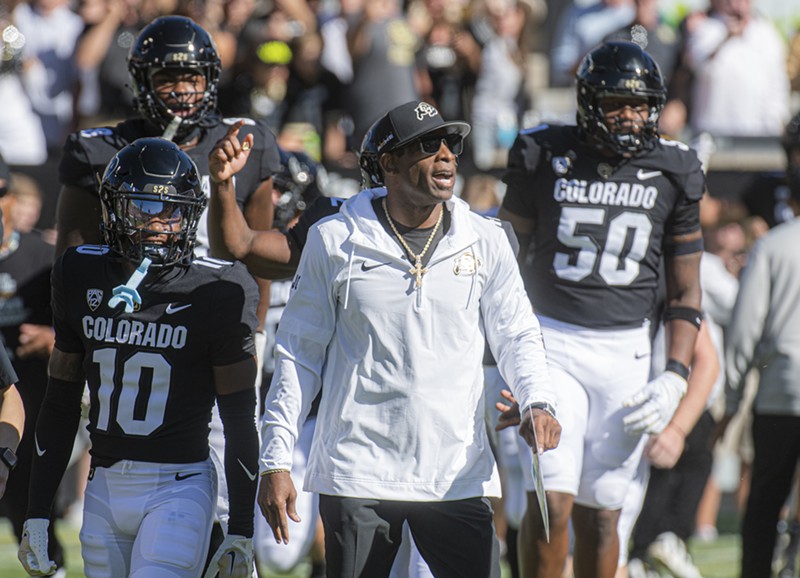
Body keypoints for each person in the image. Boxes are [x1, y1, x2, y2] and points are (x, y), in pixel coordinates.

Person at [237, 100, 560, 578]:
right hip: (358, 472)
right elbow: (297, 355)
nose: (447, 155)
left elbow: (517, 333)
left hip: (456, 472)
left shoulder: (486, 238)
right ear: (388, 163)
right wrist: (276, 460)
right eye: (428, 145)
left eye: (452, 144)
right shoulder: (334, 239)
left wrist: (539, 400)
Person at [53, 14, 280, 563]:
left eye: (192, 77)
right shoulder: (98, 148)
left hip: (215, 327)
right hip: (137, 329)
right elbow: (75, 256)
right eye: (167, 78)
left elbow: (255, 252)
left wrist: (249, 333)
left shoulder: (243, 140)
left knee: (228, 490)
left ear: (211, 79)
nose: (182, 90)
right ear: (141, 81)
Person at [498, 41, 704, 578]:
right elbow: (501, 268)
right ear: (588, 102)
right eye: (617, 104)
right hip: (550, 344)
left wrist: (676, 377)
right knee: (550, 503)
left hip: (626, 353)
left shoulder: (675, 168)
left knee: (602, 516)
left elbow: (685, 292)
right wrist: (494, 359)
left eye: (641, 105)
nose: (631, 116)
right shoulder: (541, 153)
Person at [17, 138, 260, 578]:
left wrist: (241, 525)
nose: (157, 222)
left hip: (178, 484)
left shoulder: (217, 289)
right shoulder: (79, 272)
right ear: (112, 210)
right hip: (103, 484)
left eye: (170, 210)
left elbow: (240, 415)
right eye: (141, 207)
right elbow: (60, 401)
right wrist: (37, 511)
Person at [721, 116, 800, 578]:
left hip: (780, 394)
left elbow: (744, 330)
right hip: (778, 392)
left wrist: (731, 401)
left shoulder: (772, 246)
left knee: (764, 503)